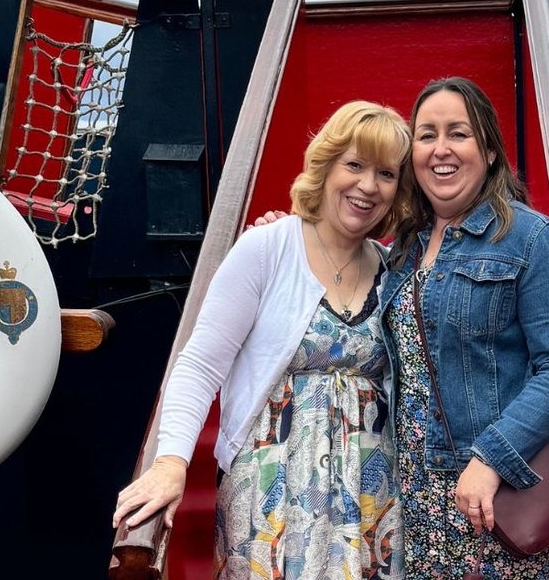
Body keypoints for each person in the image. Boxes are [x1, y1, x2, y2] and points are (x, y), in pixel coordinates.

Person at [113, 100, 409, 580]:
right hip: (272, 495)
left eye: (386, 173)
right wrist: (170, 462)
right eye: (354, 165)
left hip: (372, 496)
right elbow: (200, 366)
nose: (368, 185)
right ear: (326, 166)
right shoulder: (267, 248)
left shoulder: (393, 268)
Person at [379, 76, 549, 579]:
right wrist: (284, 231)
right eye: (427, 135)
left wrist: (492, 459)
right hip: (417, 491)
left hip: (496, 488)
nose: (441, 149)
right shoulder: (404, 247)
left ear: (490, 151)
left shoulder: (533, 240)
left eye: (459, 133)